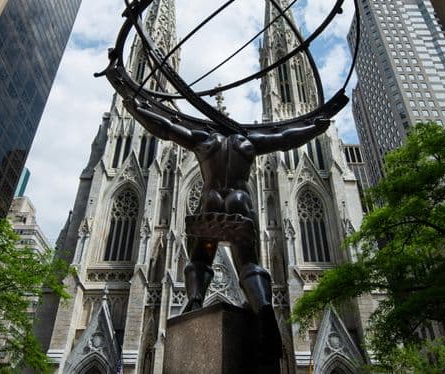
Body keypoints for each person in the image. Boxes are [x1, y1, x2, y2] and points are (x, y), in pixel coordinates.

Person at [125, 97, 329, 361]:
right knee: (249, 264)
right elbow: (285, 138)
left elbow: (166, 128)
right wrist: (315, 127)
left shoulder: (204, 139)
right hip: (239, 202)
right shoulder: (247, 141)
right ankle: (263, 306)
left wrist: (136, 109)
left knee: (200, 260)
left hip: (211, 202)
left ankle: (195, 298)